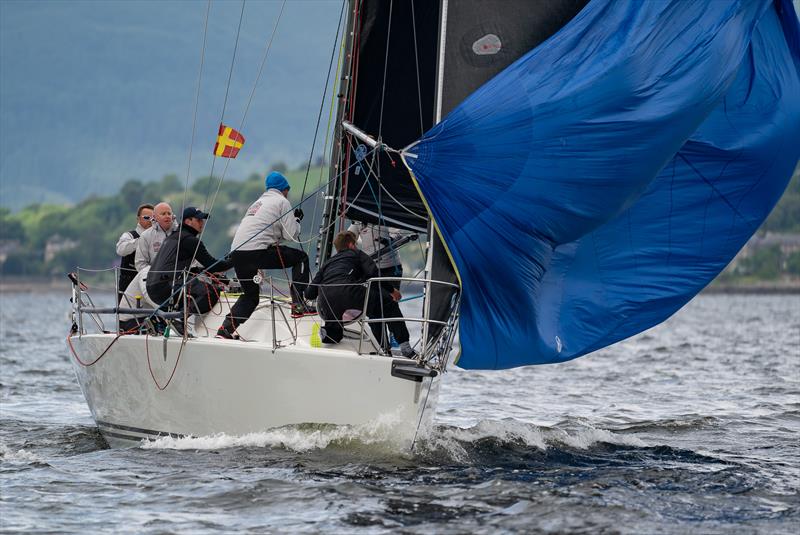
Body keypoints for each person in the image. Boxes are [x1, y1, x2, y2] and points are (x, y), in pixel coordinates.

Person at [217, 171, 313, 339]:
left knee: (250, 296)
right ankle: (298, 304)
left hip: (237, 253)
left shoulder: (257, 203)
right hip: (257, 252)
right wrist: (296, 220)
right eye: (287, 191)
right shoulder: (282, 201)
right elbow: (290, 235)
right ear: (284, 189)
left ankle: (225, 330)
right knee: (301, 258)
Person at [305, 231, 416, 358]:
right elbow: (374, 274)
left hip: (327, 299)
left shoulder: (327, 263)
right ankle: (401, 349)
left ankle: (329, 333)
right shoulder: (357, 254)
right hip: (350, 292)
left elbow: (309, 294)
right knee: (384, 305)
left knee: (335, 331)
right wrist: (392, 291)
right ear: (352, 245)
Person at [146, 207, 232, 321]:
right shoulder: (190, 240)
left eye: (203, 220)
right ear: (188, 221)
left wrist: (200, 271)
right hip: (167, 287)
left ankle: (166, 321)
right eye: (199, 220)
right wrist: (235, 260)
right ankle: (182, 321)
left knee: (195, 286)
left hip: (152, 288)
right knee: (211, 292)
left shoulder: (173, 236)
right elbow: (212, 265)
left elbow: (177, 265)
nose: (202, 223)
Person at [115, 203, 153, 303]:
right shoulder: (129, 236)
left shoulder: (157, 238)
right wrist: (142, 240)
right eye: (146, 217)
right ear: (138, 219)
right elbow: (120, 250)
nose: (150, 221)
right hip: (128, 284)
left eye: (153, 218)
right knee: (125, 316)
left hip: (149, 286)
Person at [135, 202, 178, 272]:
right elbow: (140, 264)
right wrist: (154, 274)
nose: (167, 216)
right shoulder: (145, 236)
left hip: (180, 277)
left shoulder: (181, 233)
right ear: (155, 217)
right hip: (154, 278)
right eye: (163, 214)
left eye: (169, 213)